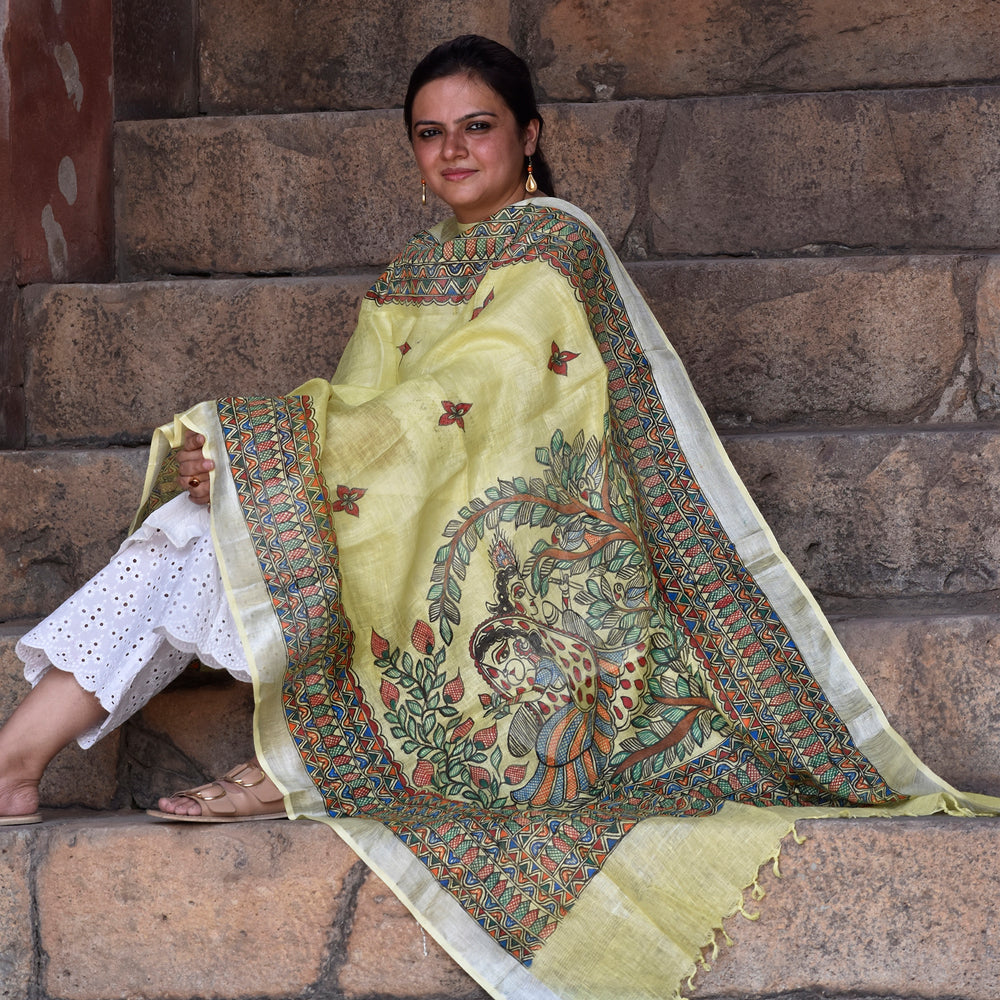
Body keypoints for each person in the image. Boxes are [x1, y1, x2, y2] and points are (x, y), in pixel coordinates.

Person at [0, 34, 993, 1000]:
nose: (453, 151)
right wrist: (283, 466)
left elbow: (485, 396)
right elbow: (368, 409)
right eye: (428, 134)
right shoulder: (414, 268)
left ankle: (65, 761)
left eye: (476, 127)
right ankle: (35, 762)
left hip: (527, 553)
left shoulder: (558, 244)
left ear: (529, 133)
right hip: (406, 511)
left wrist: (280, 454)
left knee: (226, 503)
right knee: (198, 520)